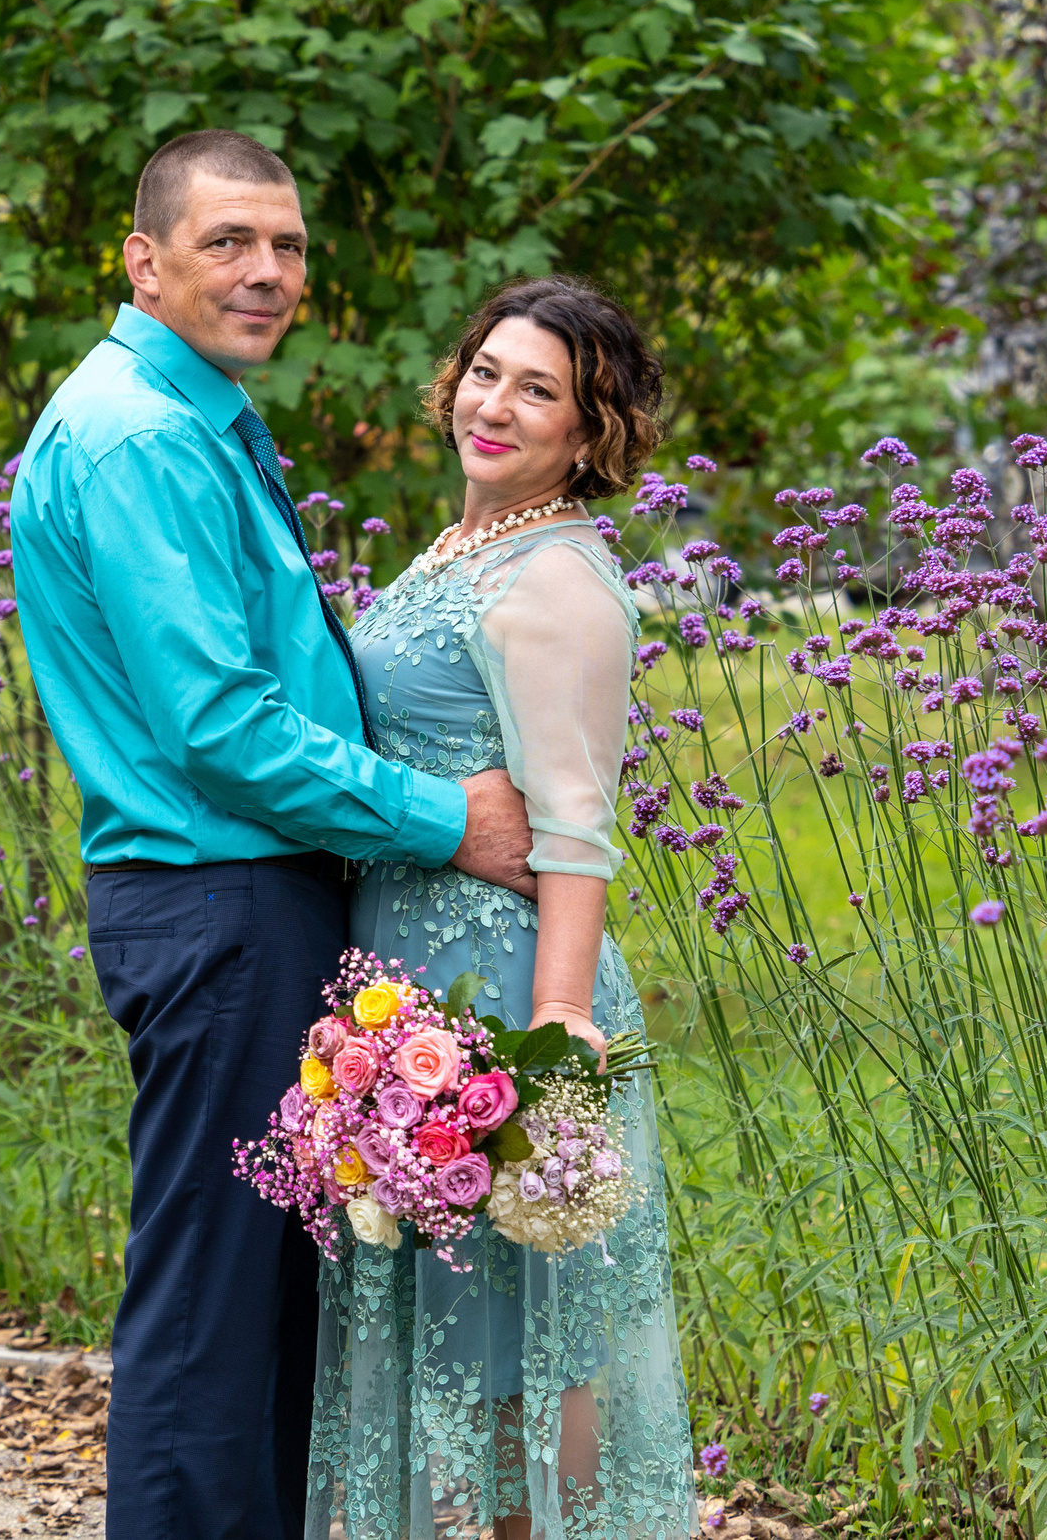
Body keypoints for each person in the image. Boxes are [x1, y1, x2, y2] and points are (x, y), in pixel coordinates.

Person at [11, 128, 540, 1540]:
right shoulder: (138, 435)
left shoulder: (187, 414)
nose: (266, 271)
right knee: (212, 1316)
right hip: (219, 901)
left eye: (289, 244)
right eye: (228, 241)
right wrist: (448, 820)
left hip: (249, 898)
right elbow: (217, 725)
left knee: (260, 1312)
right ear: (145, 259)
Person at [308, 275, 692, 1539]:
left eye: (541, 391)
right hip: (408, 982)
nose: (497, 404)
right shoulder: (469, 544)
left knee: (525, 1343)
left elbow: (575, 825)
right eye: (487, 371)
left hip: (505, 1004)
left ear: (589, 435)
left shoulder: (560, 585)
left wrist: (562, 1023)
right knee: (453, 1329)